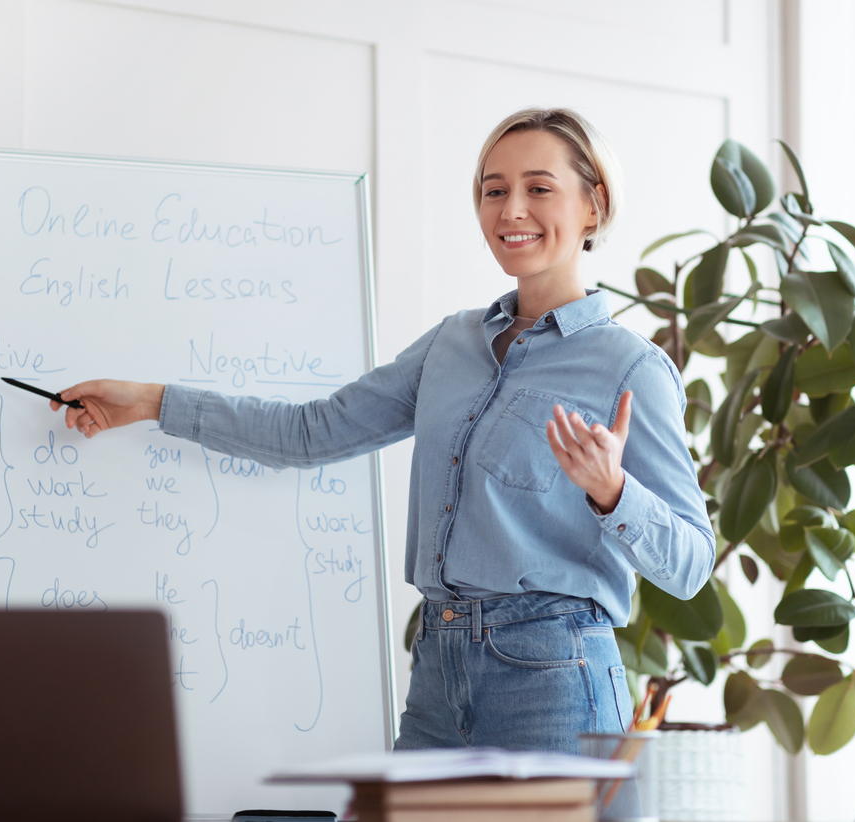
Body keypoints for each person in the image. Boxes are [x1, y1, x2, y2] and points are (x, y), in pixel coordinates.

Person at [52, 108, 714, 767]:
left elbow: (689, 565)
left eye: (539, 188)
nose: (511, 209)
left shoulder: (629, 367)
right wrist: (149, 401)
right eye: (493, 189)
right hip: (438, 668)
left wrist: (612, 491)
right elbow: (312, 433)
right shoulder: (452, 344)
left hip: (553, 675)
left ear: (594, 204)